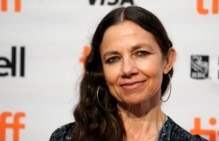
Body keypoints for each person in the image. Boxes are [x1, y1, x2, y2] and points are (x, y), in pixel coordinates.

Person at [49, 6, 208, 141]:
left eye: (141, 53)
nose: (127, 69)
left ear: (167, 61)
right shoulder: (66, 137)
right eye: (113, 59)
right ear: (102, 70)